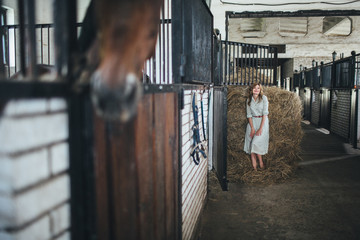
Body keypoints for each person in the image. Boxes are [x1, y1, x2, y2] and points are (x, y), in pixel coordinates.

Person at [243, 83, 269, 171]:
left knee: (255, 143)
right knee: (250, 143)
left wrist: (260, 129)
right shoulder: (248, 100)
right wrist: (253, 128)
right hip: (252, 122)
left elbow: (265, 114)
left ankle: (261, 163)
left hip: (262, 122)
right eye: (254, 88)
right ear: (251, 90)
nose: (256, 90)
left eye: (258, 88)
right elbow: (249, 115)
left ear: (260, 89)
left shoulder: (264, 98)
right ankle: (254, 167)